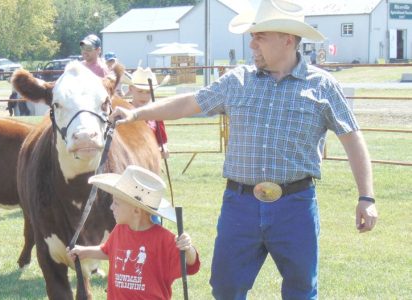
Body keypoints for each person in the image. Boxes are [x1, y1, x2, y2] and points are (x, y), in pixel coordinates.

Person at [110, 0, 378, 299]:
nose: (251, 44)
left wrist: (366, 197)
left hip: (295, 205)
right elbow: (190, 101)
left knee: (301, 290)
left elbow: (352, 138)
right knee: (226, 289)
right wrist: (136, 113)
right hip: (240, 205)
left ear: (287, 40)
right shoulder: (238, 81)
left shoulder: (323, 87)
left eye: (260, 36)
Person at [67, 165, 200, 299]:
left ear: (136, 211)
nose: (111, 207)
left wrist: (188, 248)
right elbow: (109, 251)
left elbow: (190, 264)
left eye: (116, 203)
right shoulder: (120, 230)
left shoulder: (164, 239)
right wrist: (84, 252)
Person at [125, 66, 171, 159]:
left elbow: (161, 141)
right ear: (130, 89)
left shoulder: (156, 114)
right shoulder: (123, 112)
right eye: (140, 91)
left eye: (148, 92)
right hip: (127, 160)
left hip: (149, 161)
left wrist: (164, 149)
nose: (144, 96)